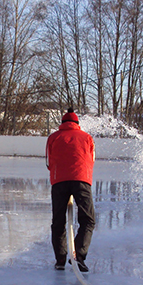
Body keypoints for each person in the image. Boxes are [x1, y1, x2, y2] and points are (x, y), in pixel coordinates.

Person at [46, 107, 96, 273]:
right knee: (88, 220)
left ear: (62, 123)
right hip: (82, 180)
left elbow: (48, 162)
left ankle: (60, 259)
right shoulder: (87, 137)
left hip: (59, 181)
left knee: (58, 221)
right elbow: (91, 159)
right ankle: (79, 256)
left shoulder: (53, 137)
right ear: (77, 123)